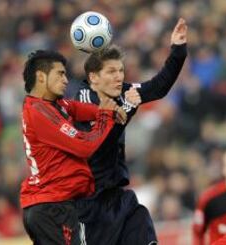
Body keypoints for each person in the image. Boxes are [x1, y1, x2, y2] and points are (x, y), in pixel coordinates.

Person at [73, 18, 187, 245]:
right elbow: (99, 143)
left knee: (140, 216)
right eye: (111, 71)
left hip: (118, 197)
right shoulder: (82, 103)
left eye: (121, 71)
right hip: (89, 204)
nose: (119, 77)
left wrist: (178, 50)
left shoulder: (122, 92)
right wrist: (127, 109)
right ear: (94, 78)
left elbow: (158, 87)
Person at [20, 50, 124, 244]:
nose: (66, 80)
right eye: (60, 74)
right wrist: (105, 116)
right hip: (52, 206)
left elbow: (75, 108)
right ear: (41, 77)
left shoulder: (52, 106)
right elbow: (84, 146)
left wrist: (105, 110)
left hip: (50, 205)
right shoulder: (40, 111)